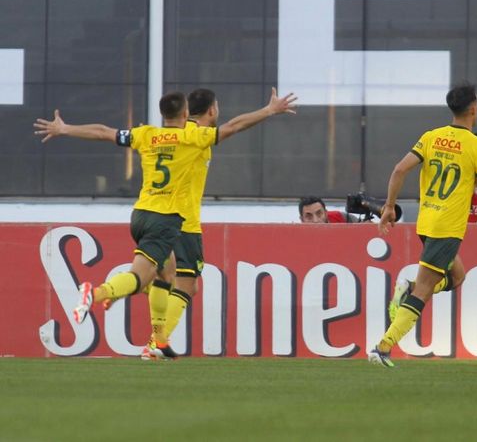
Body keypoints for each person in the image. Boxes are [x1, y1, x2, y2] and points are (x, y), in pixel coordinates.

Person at [34, 88, 297, 359]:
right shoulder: (194, 137)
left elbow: (102, 131)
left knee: (166, 275)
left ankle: (157, 339)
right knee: (168, 281)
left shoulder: (147, 134)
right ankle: (105, 296)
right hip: (178, 221)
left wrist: (65, 129)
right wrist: (269, 110)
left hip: (141, 214)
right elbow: (233, 126)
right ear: (205, 111)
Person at [367, 83, 477, 367]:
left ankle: (408, 287)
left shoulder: (431, 137)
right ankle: (382, 347)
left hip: (427, 221)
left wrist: (390, 206)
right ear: (473, 108)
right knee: (424, 291)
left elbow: (399, 169)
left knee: (458, 277)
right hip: (447, 229)